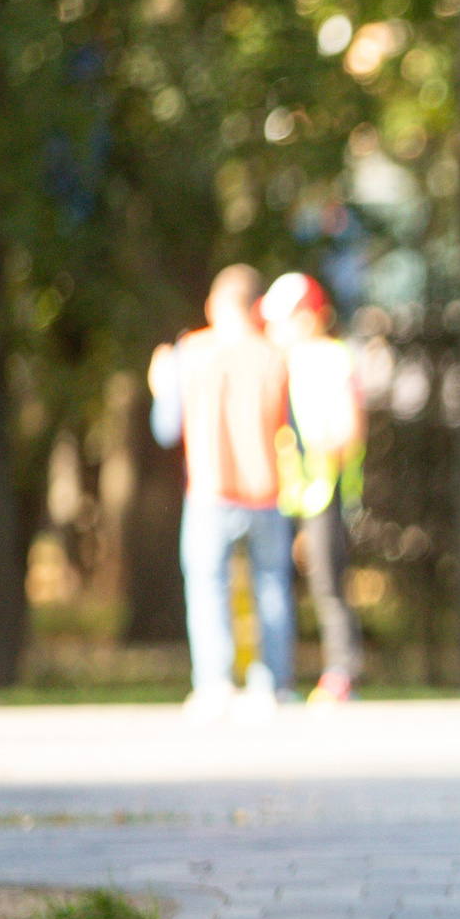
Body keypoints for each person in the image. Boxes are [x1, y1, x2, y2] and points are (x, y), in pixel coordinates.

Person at [148, 265, 294, 720]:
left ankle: (215, 684)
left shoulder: (190, 352)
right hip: (265, 489)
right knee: (272, 587)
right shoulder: (275, 356)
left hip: (210, 489)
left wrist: (160, 386)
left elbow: (166, 428)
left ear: (213, 305)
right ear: (257, 307)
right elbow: (292, 431)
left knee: (208, 588)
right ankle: (273, 684)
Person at [263, 273, 366, 704]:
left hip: (323, 488)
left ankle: (342, 672)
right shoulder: (280, 361)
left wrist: (332, 442)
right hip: (287, 489)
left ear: (308, 317)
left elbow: (350, 426)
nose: (274, 329)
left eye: (282, 320)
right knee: (275, 583)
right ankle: (274, 674)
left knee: (327, 584)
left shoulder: (332, 357)